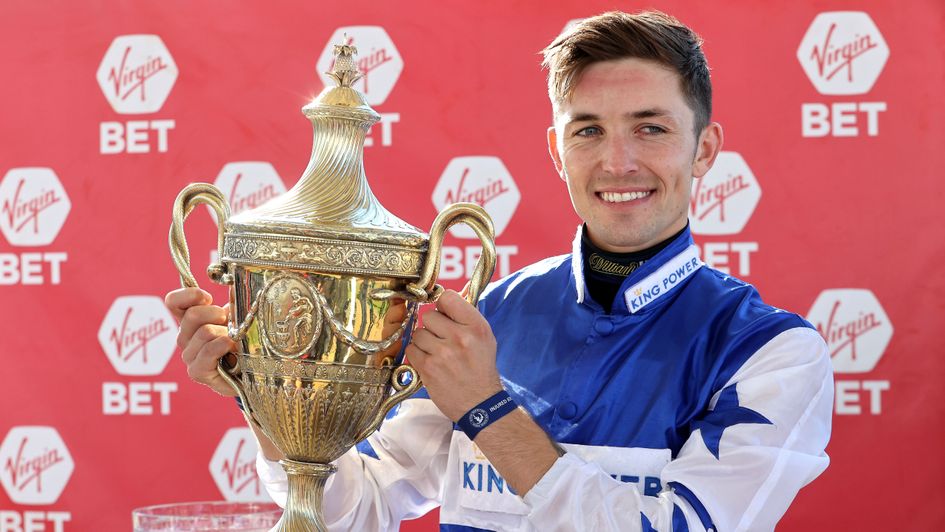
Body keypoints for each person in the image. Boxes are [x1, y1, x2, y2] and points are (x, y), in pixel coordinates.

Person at [166, 10, 832, 531]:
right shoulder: (491, 316)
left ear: (704, 148)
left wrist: (487, 411)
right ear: (555, 149)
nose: (618, 162)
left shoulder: (769, 352)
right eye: (588, 130)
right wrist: (260, 387)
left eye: (650, 129)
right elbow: (353, 510)